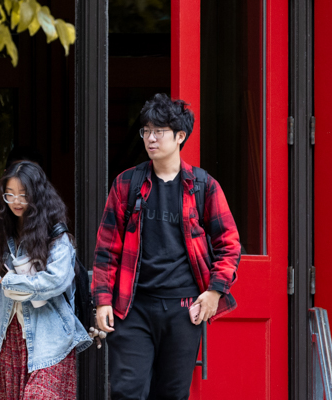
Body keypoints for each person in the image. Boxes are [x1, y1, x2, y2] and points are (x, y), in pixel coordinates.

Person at [92, 93, 242, 400]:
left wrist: (214, 292)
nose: (150, 138)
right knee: (126, 391)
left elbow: (229, 244)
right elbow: (107, 249)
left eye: (159, 131)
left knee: (172, 393)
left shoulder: (203, 186)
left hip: (183, 309)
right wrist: (102, 300)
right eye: (146, 131)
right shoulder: (127, 184)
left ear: (180, 136)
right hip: (132, 307)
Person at [0, 161, 92, 400]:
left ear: (37, 195)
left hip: (48, 339)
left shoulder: (56, 234)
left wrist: (14, 284)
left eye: (23, 195)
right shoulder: (3, 231)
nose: (16, 202)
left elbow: (57, 280)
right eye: (10, 195)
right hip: (9, 337)